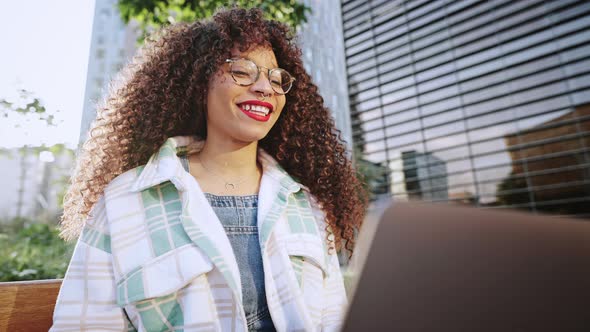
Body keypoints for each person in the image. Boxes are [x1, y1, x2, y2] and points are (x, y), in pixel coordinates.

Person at [51, 7, 367, 332]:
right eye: (243, 71)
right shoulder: (123, 201)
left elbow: (334, 321)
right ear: (200, 80)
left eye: (276, 78)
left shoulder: (308, 206)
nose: (265, 88)